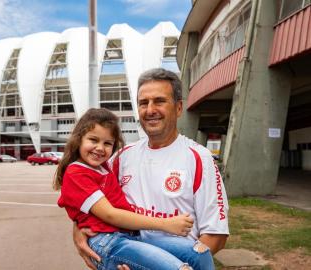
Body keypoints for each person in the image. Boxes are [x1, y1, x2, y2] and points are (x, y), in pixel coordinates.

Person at [73, 68, 229, 270]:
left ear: (179, 108)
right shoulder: (121, 157)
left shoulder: (199, 158)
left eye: (159, 101)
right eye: (143, 103)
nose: (150, 110)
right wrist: (78, 230)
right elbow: (88, 201)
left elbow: (217, 234)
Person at [55, 108, 212, 270]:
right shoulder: (76, 173)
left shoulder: (104, 166)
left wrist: (78, 223)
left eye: (107, 143)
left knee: (200, 253)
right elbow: (110, 214)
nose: (100, 148)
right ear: (78, 139)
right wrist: (166, 224)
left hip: (129, 236)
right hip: (108, 243)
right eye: (93, 140)